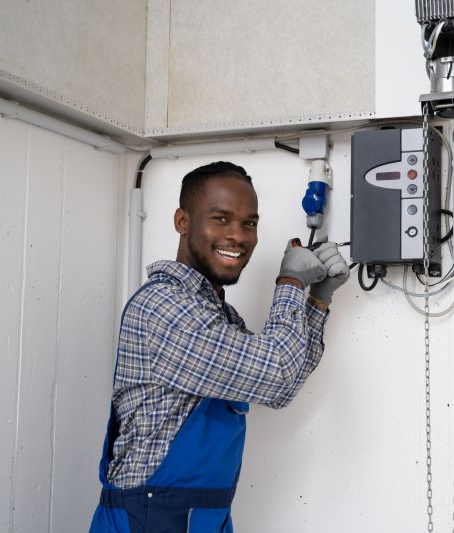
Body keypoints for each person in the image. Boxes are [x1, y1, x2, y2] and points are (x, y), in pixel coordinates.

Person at [89, 161, 349, 532]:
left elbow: (282, 389)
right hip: (146, 521)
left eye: (249, 223)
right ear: (182, 221)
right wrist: (291, 281)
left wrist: (318, 300)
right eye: (221, 218)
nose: (238, 236)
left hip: (204, 520)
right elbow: (276, 375)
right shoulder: (163, 308)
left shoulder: (219, 316)